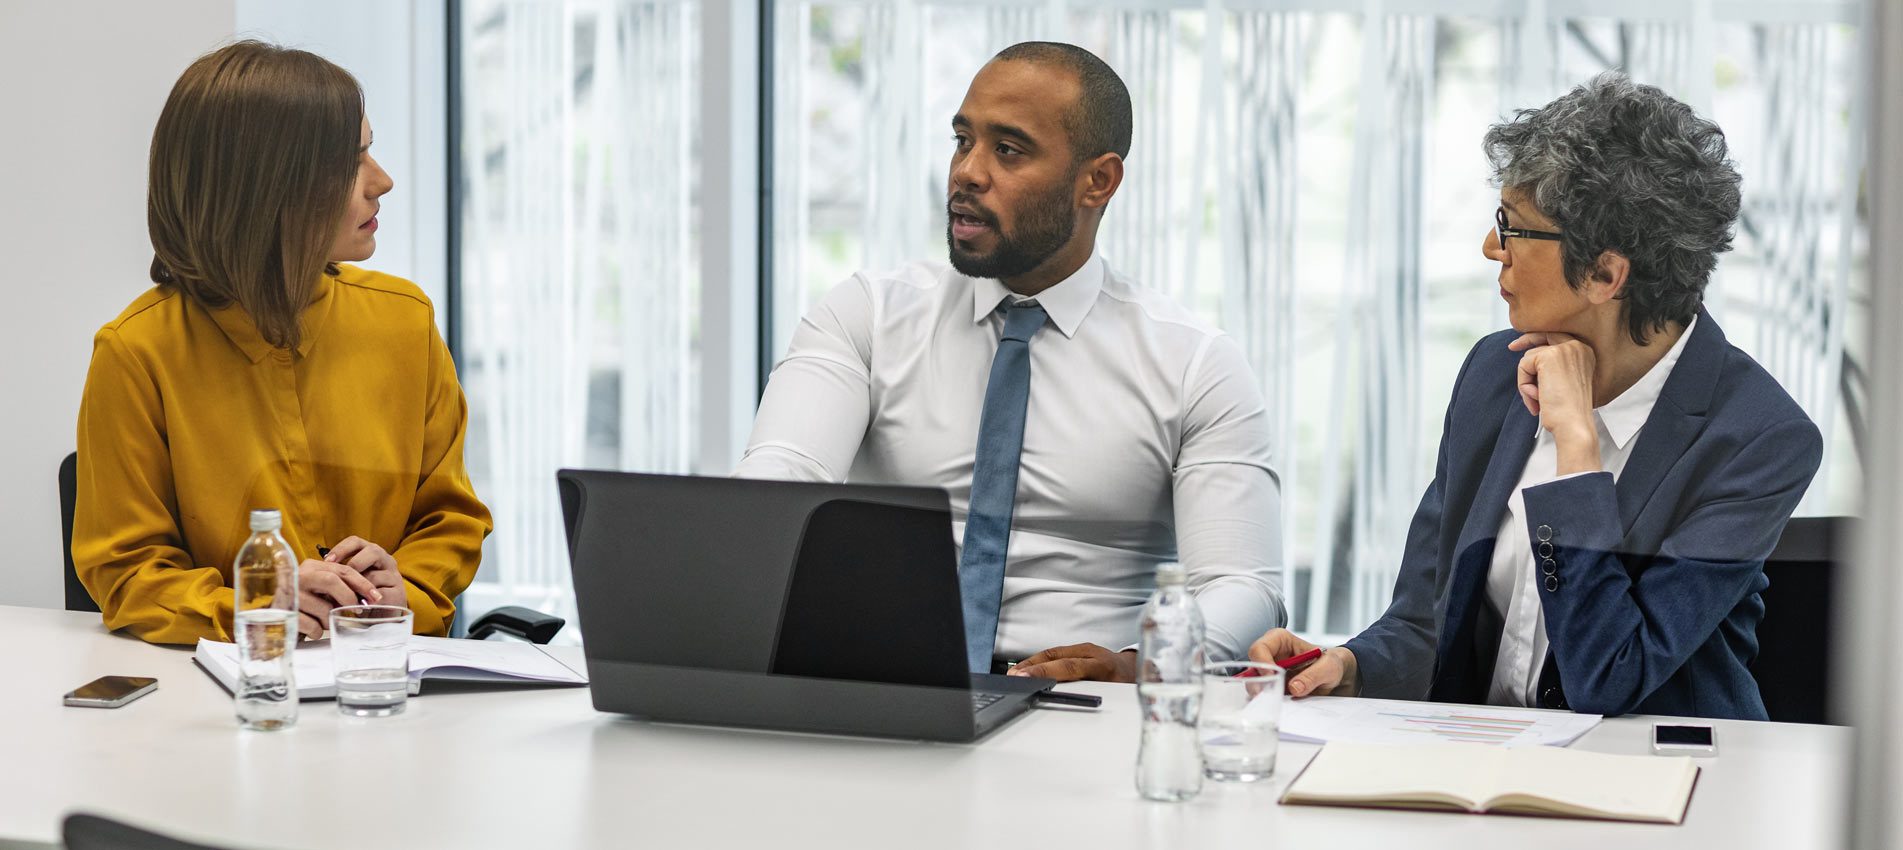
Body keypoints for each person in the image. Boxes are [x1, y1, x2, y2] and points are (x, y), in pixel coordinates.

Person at [1250, 73, 1822, 720]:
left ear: (1606, 274)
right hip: (1485, 773)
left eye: (1513, 228)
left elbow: (1608, 674)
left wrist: (1576, 447)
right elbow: (1426, 621)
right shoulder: (1493, 375)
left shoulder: (1759, 437)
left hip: (1663, 789)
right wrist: (1350, 667)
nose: (1492, 248)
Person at [735, 42, 1284, 682]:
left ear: (1097, 181)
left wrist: (1146, 665)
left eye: (1008, 150)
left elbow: (1243, 585)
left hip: (1088, 704)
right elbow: (782, 477)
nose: (967, 171)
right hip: (887, 688)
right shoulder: (869, 316)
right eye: (962, 140)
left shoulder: (1196, 363)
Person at [73, 41, 492, 644]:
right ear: (265, 189)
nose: (384, 181)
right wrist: (257, 605)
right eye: (353, 162)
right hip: (226, 702)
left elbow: (451, 518)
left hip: (385, 683)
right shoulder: (136, 354)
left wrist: (411, 589)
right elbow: (126, 573)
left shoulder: (406, 321)